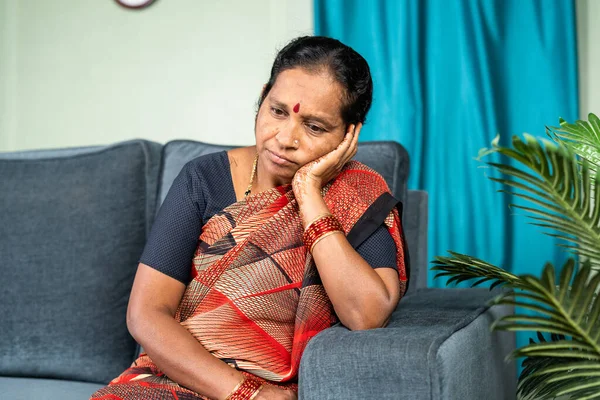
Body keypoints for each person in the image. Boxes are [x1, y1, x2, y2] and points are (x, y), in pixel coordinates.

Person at [91, 35, 408, 400]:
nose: (285, 138)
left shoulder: (358, 193)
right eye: (277, 111)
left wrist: (308, 194)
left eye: (314, 127)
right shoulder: (204, 179)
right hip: (182, 379)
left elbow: (367, 315)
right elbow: (147, 314)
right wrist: (249, 394)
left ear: (350, 134)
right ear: (262, 96)